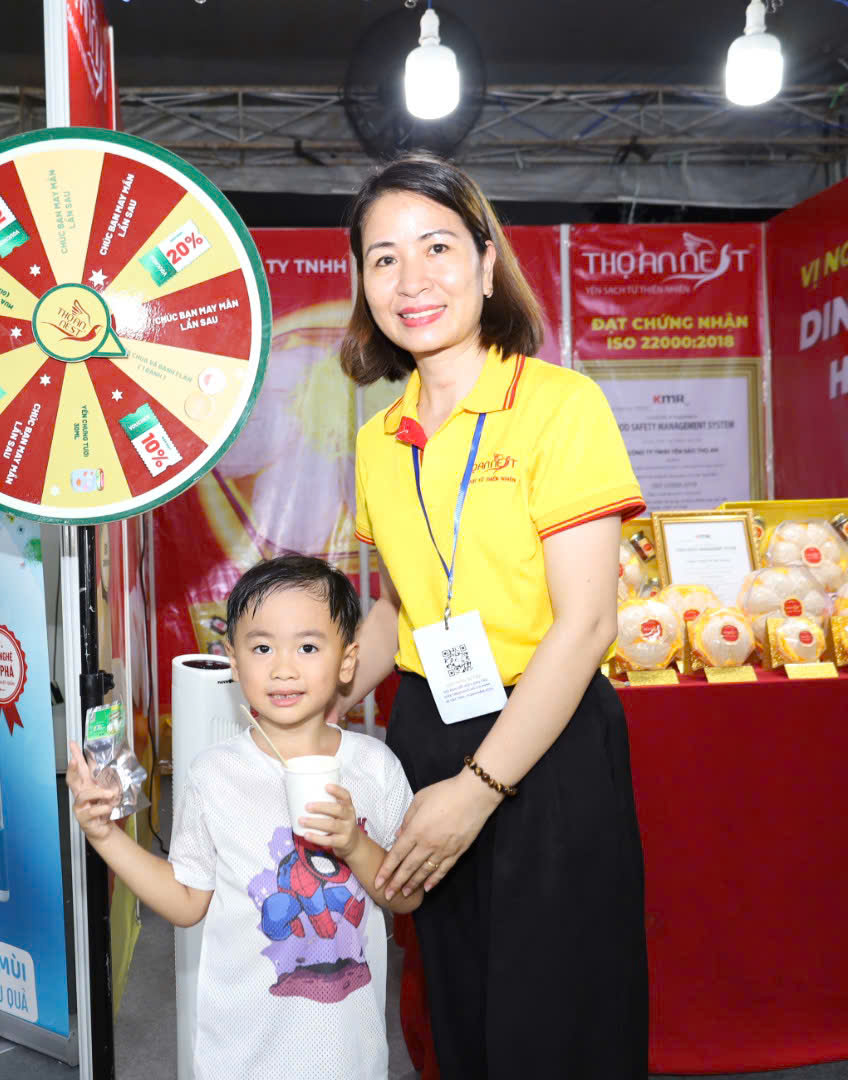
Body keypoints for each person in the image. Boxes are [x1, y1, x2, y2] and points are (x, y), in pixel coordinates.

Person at [340, 153, 649, 1077]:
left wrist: (478, 791)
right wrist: (308, 700)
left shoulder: (560, 405)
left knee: (556, 1015)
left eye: (437, 247)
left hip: (544, 739)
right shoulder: (377, 437)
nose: (412, 278)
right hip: (427, 728)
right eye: (383, 258)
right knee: (455, 1002)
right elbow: (400, 603)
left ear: (485, 261)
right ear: (363, 284)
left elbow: (587, 622)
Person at [67, 555, 420, 1079]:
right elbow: (187, 901)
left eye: (307, 646)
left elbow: (407, 897)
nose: (282, 667)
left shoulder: (375, 767)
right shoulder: (213, 775)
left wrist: (355, 845)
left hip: (349, 1056)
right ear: (233, 661)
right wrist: (102, 835)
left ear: (347, 661)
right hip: (240, 1056)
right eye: (261, 647)